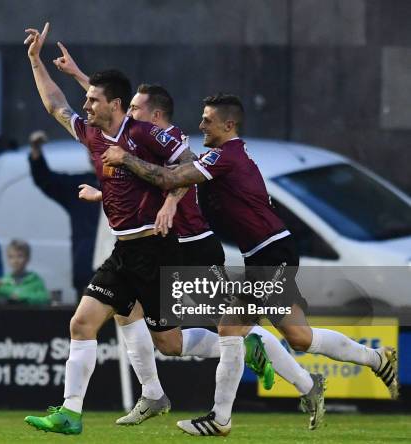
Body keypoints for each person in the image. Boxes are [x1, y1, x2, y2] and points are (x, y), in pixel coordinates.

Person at [103, 93, 399, 435]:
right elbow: (175, 177)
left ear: (228, 125)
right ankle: (377, 360)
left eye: (207, 120)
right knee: (299, 337)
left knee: (232, 328)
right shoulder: (221, 157)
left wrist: (125, 158)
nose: (201, 125)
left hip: (271, 253)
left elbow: (172, 179)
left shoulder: (225, 156)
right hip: (268, 253)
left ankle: (220, 419)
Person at [55, 46, 321, 427]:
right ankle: (152, 394)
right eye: (127, 108)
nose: (128, 113)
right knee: (131, 315)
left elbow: (172, 177)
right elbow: (110, 115)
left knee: (231, 329)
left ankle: (297, 381)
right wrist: (79, 76)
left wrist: (168, 204)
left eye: (135, 109)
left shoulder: (168, 140)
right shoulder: (137, 137)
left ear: (156, 115)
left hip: (193, 245)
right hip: (163, 245)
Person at [22, 23, 219, 435]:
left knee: (170, 343)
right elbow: (56, 106)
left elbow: (191, 164)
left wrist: (169, 199)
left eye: (93, 99)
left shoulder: (145, 134)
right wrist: (36, 62)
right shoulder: (94, 136)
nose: (86, 105)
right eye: (87, 98)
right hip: (124, 251)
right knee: (81, 323)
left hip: (157, 251)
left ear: (115, 103)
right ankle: (71, 413)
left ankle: (240, 344)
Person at [28, 129, 100, 299]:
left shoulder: (128, 185)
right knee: (84, 323)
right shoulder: (80, 185)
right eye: (91, 151)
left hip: (122, 272)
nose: (94, 156)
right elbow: (46, 180)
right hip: (88, 271)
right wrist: (36, 152)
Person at [0, 239, 49, 305]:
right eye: (11, 257)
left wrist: (22, 296)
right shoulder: (3, 281)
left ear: (28, 258)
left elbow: (45, 299)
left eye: (20, 256)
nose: (15, 261)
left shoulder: (35, 280)